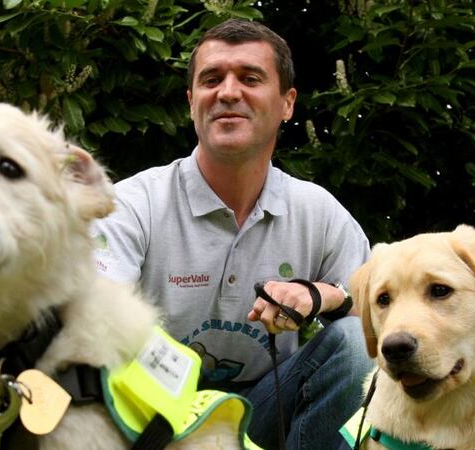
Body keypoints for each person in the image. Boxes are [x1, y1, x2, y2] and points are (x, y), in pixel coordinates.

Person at [92, 19, 372, 450]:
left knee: (356, 345)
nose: (227, 92)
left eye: (250, 78)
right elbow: (92, 321)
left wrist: (328, 295)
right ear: (191, 102)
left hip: (260, 418)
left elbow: (382, 324)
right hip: (149, 419)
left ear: (287, 103)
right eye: (211, 79)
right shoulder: (131, 203)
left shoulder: (318, 212)